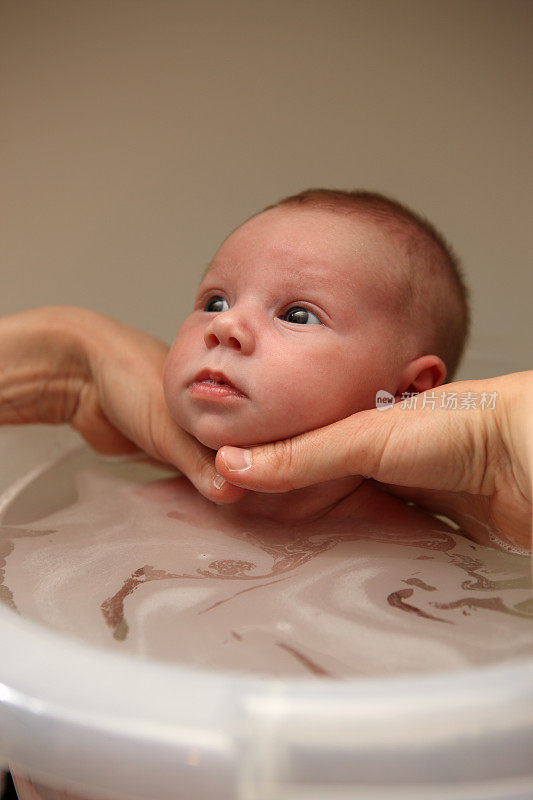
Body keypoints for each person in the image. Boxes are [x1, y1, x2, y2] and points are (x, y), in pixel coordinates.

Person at [0, 192, 530, 551]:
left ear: (409, 391)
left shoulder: (426, 553)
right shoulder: (117, 505)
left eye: (297, 314)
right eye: (214, 300)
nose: (225, 326)